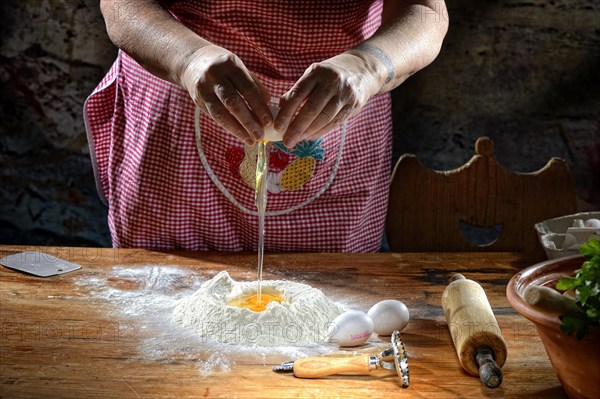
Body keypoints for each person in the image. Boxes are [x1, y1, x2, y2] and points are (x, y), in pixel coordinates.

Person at [85, 0, 448, 251]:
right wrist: (189, 58)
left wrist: (368, 66)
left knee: (335, 312)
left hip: (340, 106)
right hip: (183, 103)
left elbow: (425, 11)